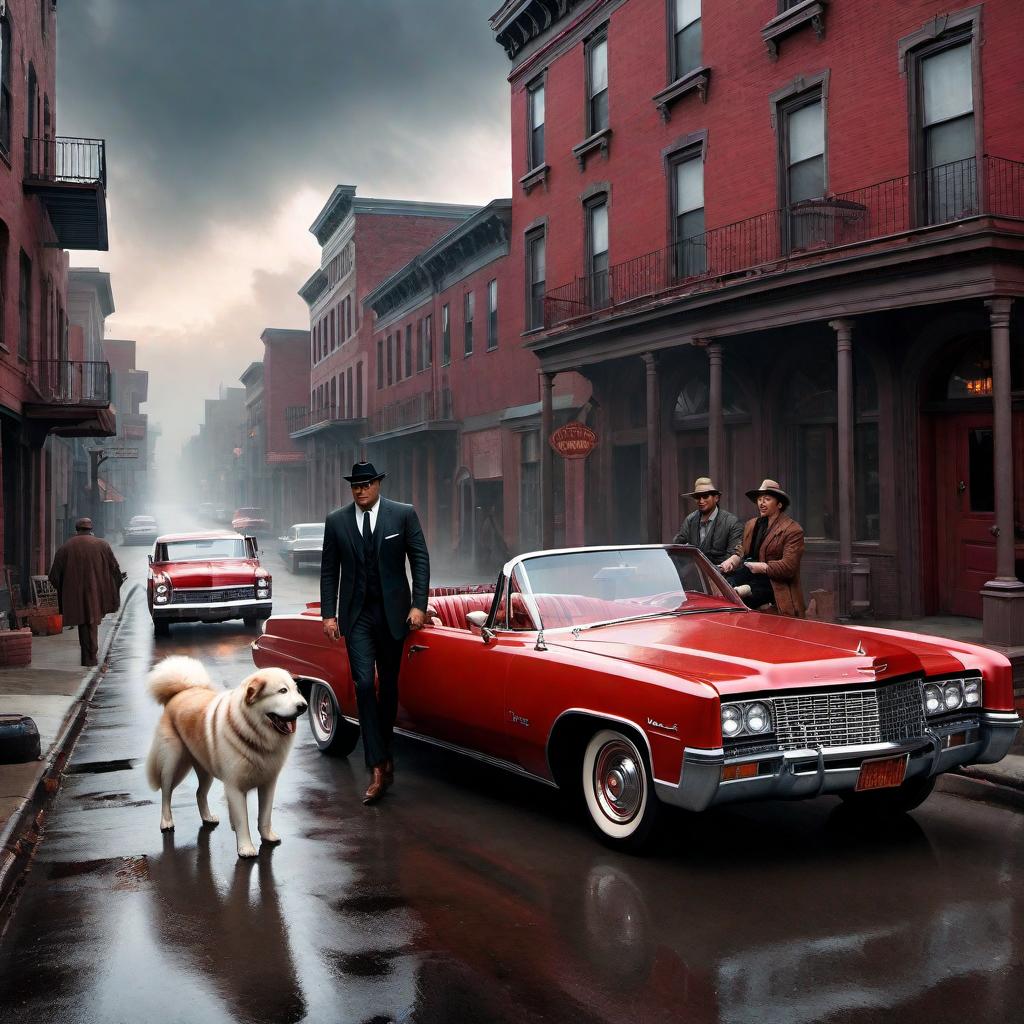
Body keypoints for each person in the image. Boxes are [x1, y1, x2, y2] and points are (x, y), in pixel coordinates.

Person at [320, 461, 430, 804]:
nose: (360, 490)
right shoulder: (336, 521)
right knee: (364, 684)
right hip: (357, 617)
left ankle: (386, 754)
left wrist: (419, 605)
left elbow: (420, 559)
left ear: (378, 485)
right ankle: (377, 766)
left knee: (389, 689)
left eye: (366, 484)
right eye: (355, 485)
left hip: (394, 615)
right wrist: (328, 615)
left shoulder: (403, 515)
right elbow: (329, 572)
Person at [721, 479, 805, 616]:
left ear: (779, 504)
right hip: (750, 573)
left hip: (775, 584)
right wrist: (733, 559)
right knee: (725, 582)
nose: (761, 503)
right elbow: (742, 550)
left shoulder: (792, 530)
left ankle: (746, 590)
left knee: (747, 595)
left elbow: (789, 567)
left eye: (767, 499)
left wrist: (764, 567)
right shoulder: (752, 524)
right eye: (759, 499)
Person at [48, 517, 125, 667]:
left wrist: (66, 590)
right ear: (91, 529)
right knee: (91, 623)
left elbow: (54, 576)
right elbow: (115, 569)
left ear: (76, 529)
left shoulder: (66, 547)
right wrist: (112, 587)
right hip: (97, 593)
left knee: (84, 623)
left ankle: (88, 658)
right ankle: (91, 658)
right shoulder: (102, 545)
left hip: (75, 595)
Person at [672, 477, 743, 569]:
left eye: (705, 496)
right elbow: (677, 546)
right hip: (694, 575)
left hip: (722, 577)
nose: (701, 501)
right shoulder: (690, 520)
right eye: (697, 497)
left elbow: (735, 554)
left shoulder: (731, 522)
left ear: (716, 498)